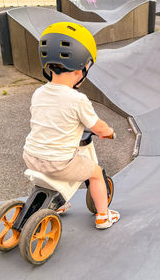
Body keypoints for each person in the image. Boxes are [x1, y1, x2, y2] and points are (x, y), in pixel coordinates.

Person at [22, 22, 120, 229]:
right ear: (81, 69)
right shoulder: (78, 99)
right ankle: (103, 215)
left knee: (58, 159)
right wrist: (109, 132)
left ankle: (57, 204)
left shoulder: (38, 93)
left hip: (31, 156)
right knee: (94, 172)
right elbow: (98, 127)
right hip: (58, 163)